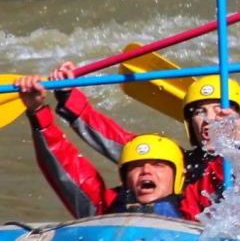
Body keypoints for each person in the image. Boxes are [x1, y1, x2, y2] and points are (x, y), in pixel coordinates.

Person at [40, 57, 240, 213]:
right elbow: (119, 141)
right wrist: (68, 97)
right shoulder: (174, 162)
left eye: (219, 111)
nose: (209, 120)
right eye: (199, 112)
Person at [16, 75, 198, 219]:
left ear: (178, 176)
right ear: (125, 178)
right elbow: (68, 167)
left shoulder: (195, 209)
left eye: (158, 165)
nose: (146, 171)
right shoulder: (104, 209)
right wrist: (37, 112)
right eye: (136, 166)